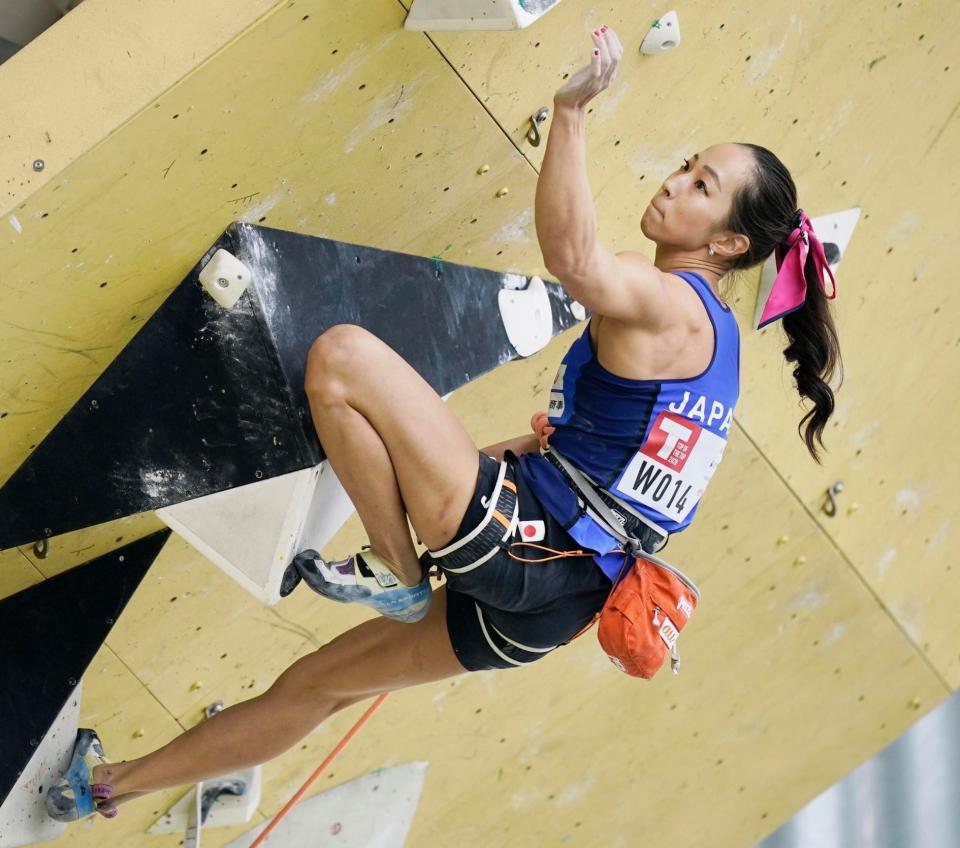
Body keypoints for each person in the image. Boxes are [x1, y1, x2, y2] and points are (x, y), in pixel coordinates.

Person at [47, 24, 841, 822]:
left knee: (344, 359)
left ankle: (395, 570)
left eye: (701, 187)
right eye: (686, 166)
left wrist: (569, 114)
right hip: (559, 604)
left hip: (528, 545)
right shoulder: (722, 348)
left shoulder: (668, 296)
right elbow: (593, 471)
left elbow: (574, 258)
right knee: (320, 686)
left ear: (729, 244)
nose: (674, 184)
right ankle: (101, 788)